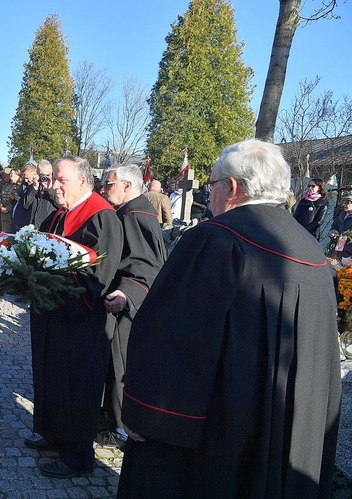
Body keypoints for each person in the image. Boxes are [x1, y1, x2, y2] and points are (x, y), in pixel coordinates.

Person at [118, 139, 340, 498]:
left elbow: (171, 336)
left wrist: (143, 411)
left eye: (212, 185)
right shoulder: (312, 251)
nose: (211, 194)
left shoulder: (216, 239)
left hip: (218, 433)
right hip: (285, 431)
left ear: (232, 188)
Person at [26, 155, 123, 479]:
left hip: (80, 322)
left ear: (83, 181)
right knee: (53, 377)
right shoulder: (58, 217)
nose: (54, 186)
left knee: (77, 386)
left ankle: (79, 455)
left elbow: (100, 274)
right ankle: (54, 435)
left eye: (60, 180)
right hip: (53, 318)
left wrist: (60, 290)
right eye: (53, 179)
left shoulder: (101, 217)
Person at [97, 164, 165, 451]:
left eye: (108, 183)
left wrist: (126, 294)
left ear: (127, 185)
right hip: (117, 301)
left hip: (126, 306)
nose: (103, 187)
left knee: (120, 364)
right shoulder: (127, 212)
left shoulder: (136, 215)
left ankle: (120, 428)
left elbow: (147, 266)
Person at [22, 159, 58, 229]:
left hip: (48, 227)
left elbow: (61, 205)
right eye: (42, 175)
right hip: (33, 227)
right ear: (37, 173)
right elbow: (25, 204)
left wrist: (50, 189)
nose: (44, 178)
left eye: (47, 175)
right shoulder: (33, 185)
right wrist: (34, 188)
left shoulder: (56, 185)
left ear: (52, 173)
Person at [10, 162, 38, 232]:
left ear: (35, 174)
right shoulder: (24, 185)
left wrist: (20, 200)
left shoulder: (35, 188)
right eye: (25, 178)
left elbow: (26, 203)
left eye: (28, 178)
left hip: (24, 224)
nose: (26, 180)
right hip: (15, 222)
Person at [0, 168, 20, 232]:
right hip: (3, 213)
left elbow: (16, 200)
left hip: (11, 213)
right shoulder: (6, 185)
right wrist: (1, 206)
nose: (11, 175)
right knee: (3, 233)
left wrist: (8, 208)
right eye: (11, 173)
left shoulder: (19, 186)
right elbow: (0, 197)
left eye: (14, 174)